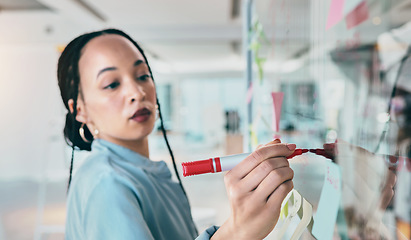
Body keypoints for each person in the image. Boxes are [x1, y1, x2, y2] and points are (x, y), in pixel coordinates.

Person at [57, 28, 296, 240]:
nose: (137, 92)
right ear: (80, 110)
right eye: (111, 84)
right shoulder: (106, 184)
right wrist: (238, 232)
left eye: (142, 76)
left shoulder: (141, 171)